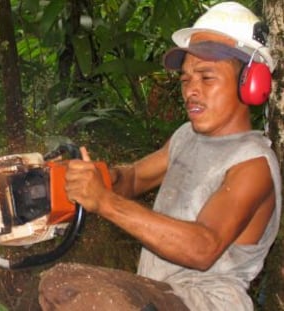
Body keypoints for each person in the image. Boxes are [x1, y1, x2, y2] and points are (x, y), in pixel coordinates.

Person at [38, 2, 282, 311]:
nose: (191, 90)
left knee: (88, 294)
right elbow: (136, 177)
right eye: (185, 80)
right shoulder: (186, 137)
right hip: (159, 293)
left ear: (251, 83)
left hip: (204, 302)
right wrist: (101, 178)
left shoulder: (253, 163)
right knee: (56, 284)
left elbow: (203, 247)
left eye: (206, 78)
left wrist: (105, 201)